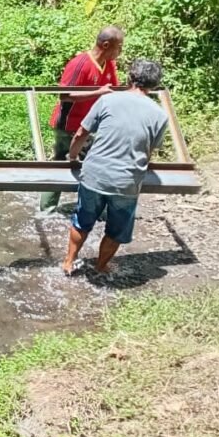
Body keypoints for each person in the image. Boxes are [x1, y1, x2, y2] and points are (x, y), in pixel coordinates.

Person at [61, 60, 169, 275]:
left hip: (95, 175)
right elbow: (148, 152)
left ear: (129, 78)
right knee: (116, 229)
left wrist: (72, 156)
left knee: (82, 220)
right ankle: (101, 266)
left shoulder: (107, 100)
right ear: (155, 85)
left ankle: (68, 263)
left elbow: (81, 133)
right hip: (126, 182)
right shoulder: (160, 115)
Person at [39, 26, 123, 213]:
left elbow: (113, 89)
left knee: (93, 163)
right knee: (66, 163)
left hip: (91, 125)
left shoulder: (109, 64)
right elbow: (64, 95)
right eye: (119, 47)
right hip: (68, 124)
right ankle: (49, 210)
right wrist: (97, 92)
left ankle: (92, 209)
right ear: (106, 45)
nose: (120, 52)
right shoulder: (79, 64)